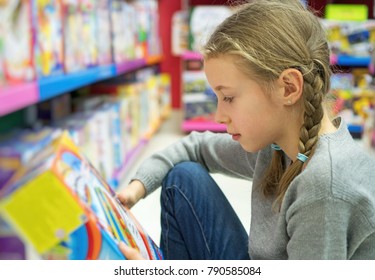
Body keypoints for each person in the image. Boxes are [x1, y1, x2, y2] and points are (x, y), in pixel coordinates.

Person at [117, 0, 375, 260]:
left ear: (288, 88)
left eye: (228, 97)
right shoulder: (280, 147)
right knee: (183, 178)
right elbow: (196, 147)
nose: (218, 116)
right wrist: (136, 189)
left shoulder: (323, 187)